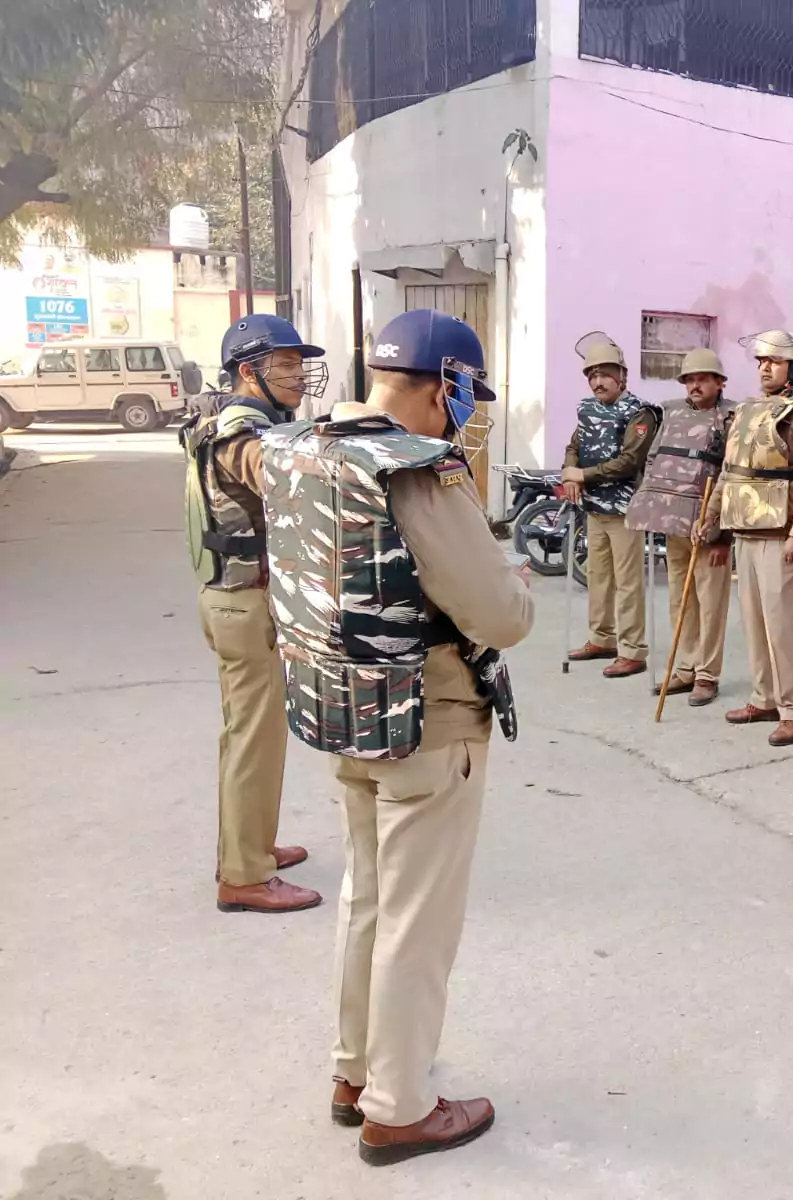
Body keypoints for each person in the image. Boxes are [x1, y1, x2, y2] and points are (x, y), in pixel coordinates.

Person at [260, 309, 534, 1164]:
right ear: (446, 383)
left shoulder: (305, 445)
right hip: (428, 716)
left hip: (343, 708)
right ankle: (402, 1105)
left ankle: (356, 1072)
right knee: (417, 920)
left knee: (368, 902)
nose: (468, 410)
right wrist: (510, 588)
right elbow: (497, 614)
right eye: (466, 391)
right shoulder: (419, 469)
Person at [181, 313, 327, 914]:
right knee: (253, 740)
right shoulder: (244, 432)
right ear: (249, 371)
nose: (298, 375)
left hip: (238, 599)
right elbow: (280, 479)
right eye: (285, 364)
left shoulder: (245, 419)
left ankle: (253, 846)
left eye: (299, 363)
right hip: (245, 602)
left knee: (254, 736)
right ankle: (243, 875)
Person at [704, 330, 793, 746]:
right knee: (755, 623)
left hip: (783, 532)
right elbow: (730, 470)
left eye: (773, 362)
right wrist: (712, 521)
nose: (764, 368)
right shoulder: (746, 411)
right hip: (746, 525)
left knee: (781, 624)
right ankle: (765, 698)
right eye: (761, 362)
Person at [626, 348, 735, 707]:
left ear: (720, 383)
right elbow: (655, 459)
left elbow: (734, 477)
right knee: (680, 599)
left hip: (709, 525)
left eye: (703, 378)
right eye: (690, 379)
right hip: (674, 523)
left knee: (710, 603)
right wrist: (650, 508)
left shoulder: (732, 417)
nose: (695, 385)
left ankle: (707, 674)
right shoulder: (671, 413)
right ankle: (685, 668)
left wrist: (724, 536)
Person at [562, 337, 661, 678]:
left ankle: (633, 650)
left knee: (628, 581)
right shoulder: (587, 409)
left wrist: (583, 475)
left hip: (625, 509)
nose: (597, 382)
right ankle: (602, 638)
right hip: (594, 508)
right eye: (592, 375)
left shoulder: (639, 412)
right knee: (598, 576)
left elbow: (630, 461)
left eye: (605, 374)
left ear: (622, 376)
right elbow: (574, 446)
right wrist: (569, 474)